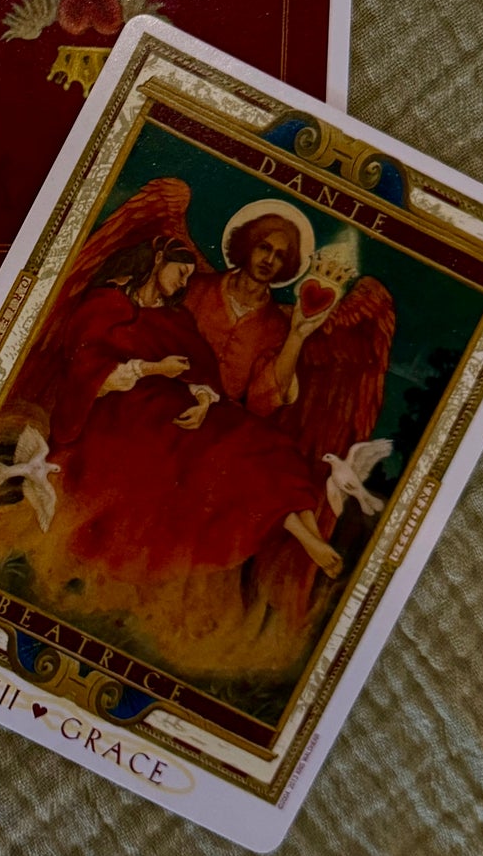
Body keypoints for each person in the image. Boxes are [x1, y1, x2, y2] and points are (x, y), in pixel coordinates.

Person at [50, 236, 342, 583]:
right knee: (228, 453)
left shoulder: (177, 316)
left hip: (182, 406)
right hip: (124, 411)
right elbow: (91, 371)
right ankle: (304, 534)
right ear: (158, 258)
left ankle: (310, 536)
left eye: (281, 255)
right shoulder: (110, 303)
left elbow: (211, 376)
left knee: (266, 442)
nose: (184, 283)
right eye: (265, 247)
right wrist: (157, 370)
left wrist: (204, 402)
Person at [184, 205, 329, 419]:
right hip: (168, 392)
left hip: (220, 419)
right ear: (248, 245)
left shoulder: (278, 327)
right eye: (264, 247)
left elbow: (262, 400)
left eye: (280, 256)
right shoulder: (197, 288)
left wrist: (297, 336)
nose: (269, 260)